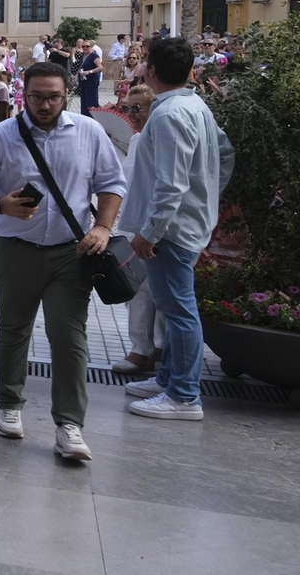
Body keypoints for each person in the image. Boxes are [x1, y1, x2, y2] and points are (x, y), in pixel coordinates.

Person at [0, 62, 126, 462]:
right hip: (15, 250)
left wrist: (103, 228)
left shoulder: (87, 132)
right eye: (37, 96)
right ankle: (10, 404)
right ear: (24, 94)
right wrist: (0, 204)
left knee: (69, 339)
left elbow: (111, 184)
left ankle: (70, 424)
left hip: (71, 253)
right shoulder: (1, 136)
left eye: (53, 96)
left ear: (66, 94)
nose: (45, 104)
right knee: (14, 329)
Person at [119, 37, 235, 422]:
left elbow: (170, 185)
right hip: (184, 223)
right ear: (190, 71)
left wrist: (150, 232)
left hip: (171, 230)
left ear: (150, 70)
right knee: (174, 309)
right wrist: (207, 196)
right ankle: (169, 379)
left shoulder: (168, 115)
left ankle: (184, 395)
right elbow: (225, 153)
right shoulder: (193, 104)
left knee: (178, 311)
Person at [112, 85, 162, 376]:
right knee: (138, 288)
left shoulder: (161, 138)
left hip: (158, 222)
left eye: (138, 108)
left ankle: (161, 347)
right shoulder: (135, 139)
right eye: (128, 108)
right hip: (135, 222)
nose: (132, 115)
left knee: (163, 291)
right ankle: (140, 348)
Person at [76, 38, 103, 117]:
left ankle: (93, 119)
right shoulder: (83, 55)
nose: (84, 48)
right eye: (83, 46)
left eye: (87, 46)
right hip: (83, 82)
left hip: (91, 82)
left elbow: (100, 67)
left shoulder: (94, 56)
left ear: (91, 47)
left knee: (91, 103)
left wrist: (89, 71)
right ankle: (84, 117)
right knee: (84, 103)